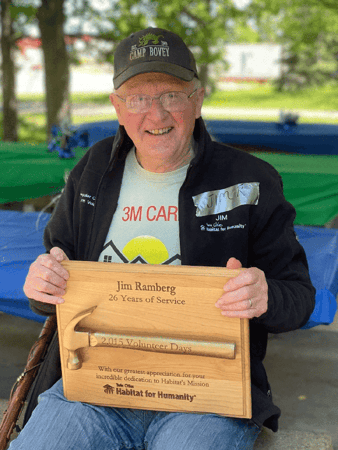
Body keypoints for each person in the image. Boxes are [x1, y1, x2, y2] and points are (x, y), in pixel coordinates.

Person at [12, 27, 315, 450]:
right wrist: (42, 285)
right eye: (138, 99)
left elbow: (298, 297)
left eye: (171, 95)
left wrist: (264, 295)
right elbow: (55, 277)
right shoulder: (94, 168)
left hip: (206, 396)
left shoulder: (251, 180)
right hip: (95, 390)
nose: (156, 115)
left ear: (198, 99)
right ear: (118, 107)